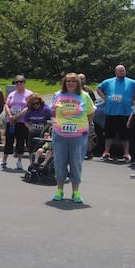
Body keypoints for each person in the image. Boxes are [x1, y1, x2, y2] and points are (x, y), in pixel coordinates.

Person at [50, 73, 95, 203]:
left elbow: (90, 114)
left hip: (78, 136)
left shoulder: (84, 96)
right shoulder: (58, 95)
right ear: (65, 82)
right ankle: (59, 190)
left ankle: (76, 191)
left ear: (78, 83)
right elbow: (53, 112)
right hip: (60, 135)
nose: (71, 83)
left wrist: (83, 127)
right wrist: (55, 125)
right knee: (60, 162)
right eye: (68, 81)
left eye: (73, 81)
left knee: (76, 162)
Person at [96, 65, 135, 162]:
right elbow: (98, 88)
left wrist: (134, 99)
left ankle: (126, 153)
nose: (122, 72)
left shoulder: (132, 82)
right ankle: (106, 152)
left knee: (125, 135)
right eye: (119, 71)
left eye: (123, 71)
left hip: (125, 112)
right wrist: (105, 98)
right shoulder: (108, 82)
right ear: (116, 72)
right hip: (111, 112)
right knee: (109, 134)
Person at [0, 75, 33, 170]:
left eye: (20, 82)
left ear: (24, 83)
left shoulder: (29, 94)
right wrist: (10, 116)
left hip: (22, 121)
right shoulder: (12, 94)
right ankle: (4, 160)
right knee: (9, 140)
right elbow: (7, 105)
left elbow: (28, 107)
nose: (18, 84)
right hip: (11, 121)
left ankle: (19, 161)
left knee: (20, 141)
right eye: (17, 82)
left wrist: (17, 116)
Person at [78, 73, 97, 159]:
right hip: (77, 117)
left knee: (89, 134)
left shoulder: (88, 90)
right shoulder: (73, 90)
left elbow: (93, 103)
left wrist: (91, 115)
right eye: (80, 78)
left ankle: (89, 151)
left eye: (83, 78)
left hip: (87, 115)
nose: (82, 80)